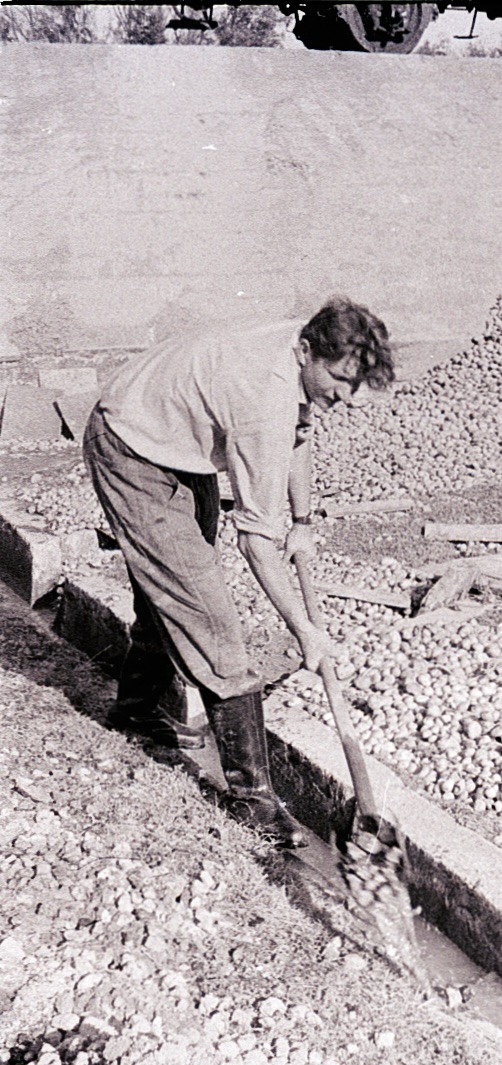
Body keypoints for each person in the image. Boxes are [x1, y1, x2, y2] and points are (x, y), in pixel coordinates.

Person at [83, 297, 395, 847]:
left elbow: (299, 435)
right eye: (341, 381)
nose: (347, 397)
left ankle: (135, 712)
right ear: (306, 351)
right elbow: (255, 543)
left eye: (355, 385)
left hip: (173, 436)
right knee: (208, 616)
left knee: (175, 588)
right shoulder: (263, 402)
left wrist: (303, 521)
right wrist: (306, 631)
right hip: (130, 446)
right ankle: (253, 800)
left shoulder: (297, 352)